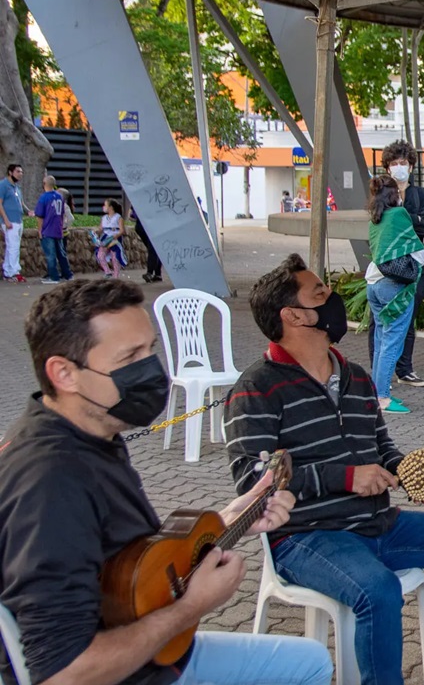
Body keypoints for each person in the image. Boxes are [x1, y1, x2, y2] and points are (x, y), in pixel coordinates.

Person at [0, 278, 333, 685]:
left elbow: (131, 564)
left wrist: (234, 517)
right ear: (64, 373)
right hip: (127, 671)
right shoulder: (50, 483)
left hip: (151, 653)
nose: (152, 370)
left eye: (151, 349)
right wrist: (191, 608)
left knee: (310, 660)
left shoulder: (88, 433)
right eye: (130, 357)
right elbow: (62, 674)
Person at [225, 254, 424, 685]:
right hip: (307, 537)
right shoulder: (257, 387)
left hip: (379, 523)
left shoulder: (355, 376)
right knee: (379, 591)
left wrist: (405, 470)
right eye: (319, 293)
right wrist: (346, 477)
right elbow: (253, 478)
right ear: (293, 315)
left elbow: (380, 445)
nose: (333, 298)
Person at [365, 140, 424, 389]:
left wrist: (403, 219)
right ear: (386, 167)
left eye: (403, 163)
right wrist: (409, 219)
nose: (399, 168)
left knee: (408, 317)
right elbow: (381, 228)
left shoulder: (421, 196)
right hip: (385, 270)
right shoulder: (381, 193)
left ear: (412, 166)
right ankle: (380, 375)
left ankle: (404, 369)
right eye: (394, 164)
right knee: (380, 324)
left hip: (412, 270)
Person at [364, 175, 424, 415]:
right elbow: (413, 243)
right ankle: (383, 398)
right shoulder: (399, 215)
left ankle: (376, 392)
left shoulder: (374, 220)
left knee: (381, 340)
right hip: (394, 286)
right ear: (393, 194)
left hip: (374, 285)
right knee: (392, 341)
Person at [33, 175, 71, 284]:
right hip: (58, 229)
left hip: (48, 229)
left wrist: (40, 230)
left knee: (50, 254)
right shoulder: (60, 197)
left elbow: (40, 215)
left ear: (44, 184)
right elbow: (62, 214)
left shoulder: (44, 197)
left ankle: (54, 277)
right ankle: (67, 274)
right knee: (61, 253)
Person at [0, 164, 28, 283]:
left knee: (13, 246)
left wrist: (28, 211)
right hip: (10, 221)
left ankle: (7, 271)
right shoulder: (3, 185)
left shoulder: (16, 187)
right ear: (10, 172)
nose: (20, 174)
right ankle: (14, 272)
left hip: (18, 221)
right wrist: (5, 220)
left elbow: (21, 203)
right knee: (13, 247)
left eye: (21, 172)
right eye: (18, 172)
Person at [94, 198, 128, 279]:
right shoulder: (104, 218)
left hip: (114, 238)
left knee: (114, 257)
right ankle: (107, 271)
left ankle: (116, 276)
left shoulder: (118, 217)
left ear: (111, 207)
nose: (103, 207)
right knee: (100, 255)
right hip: (105, 238)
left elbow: (122, 230)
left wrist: (115, 236)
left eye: (105, 205)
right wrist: (96, 232)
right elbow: (101, 229)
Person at [131, 206, 163, 283]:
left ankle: (151, 272)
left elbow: (131, 216)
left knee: (153, 249)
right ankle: (156, 273)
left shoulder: (139, 199)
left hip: (143, 226)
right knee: (154, 249)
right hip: (150, 225)